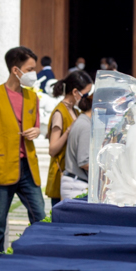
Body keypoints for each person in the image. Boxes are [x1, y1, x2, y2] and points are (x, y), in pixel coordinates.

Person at [0, 47, 45, 258]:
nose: (34, 73)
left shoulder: (33, 97)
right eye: (30, 69)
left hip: (27, 167)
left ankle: (40, 254)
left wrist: (37, 131)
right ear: (16, 70)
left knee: (40, 215)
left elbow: (37, 127)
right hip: (2, 164)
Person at [45, 71, 92, 208]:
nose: (87, 97)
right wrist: (67, 131)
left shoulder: (75, 111)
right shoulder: (60, 113)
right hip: (61, 173)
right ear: (75, 92)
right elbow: (52, 149)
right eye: (86, 93)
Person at [62, 92, 93, 199]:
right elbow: (84, 162)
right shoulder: (86, 126)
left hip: (75, 183)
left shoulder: (82, 121)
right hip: (77, 185)